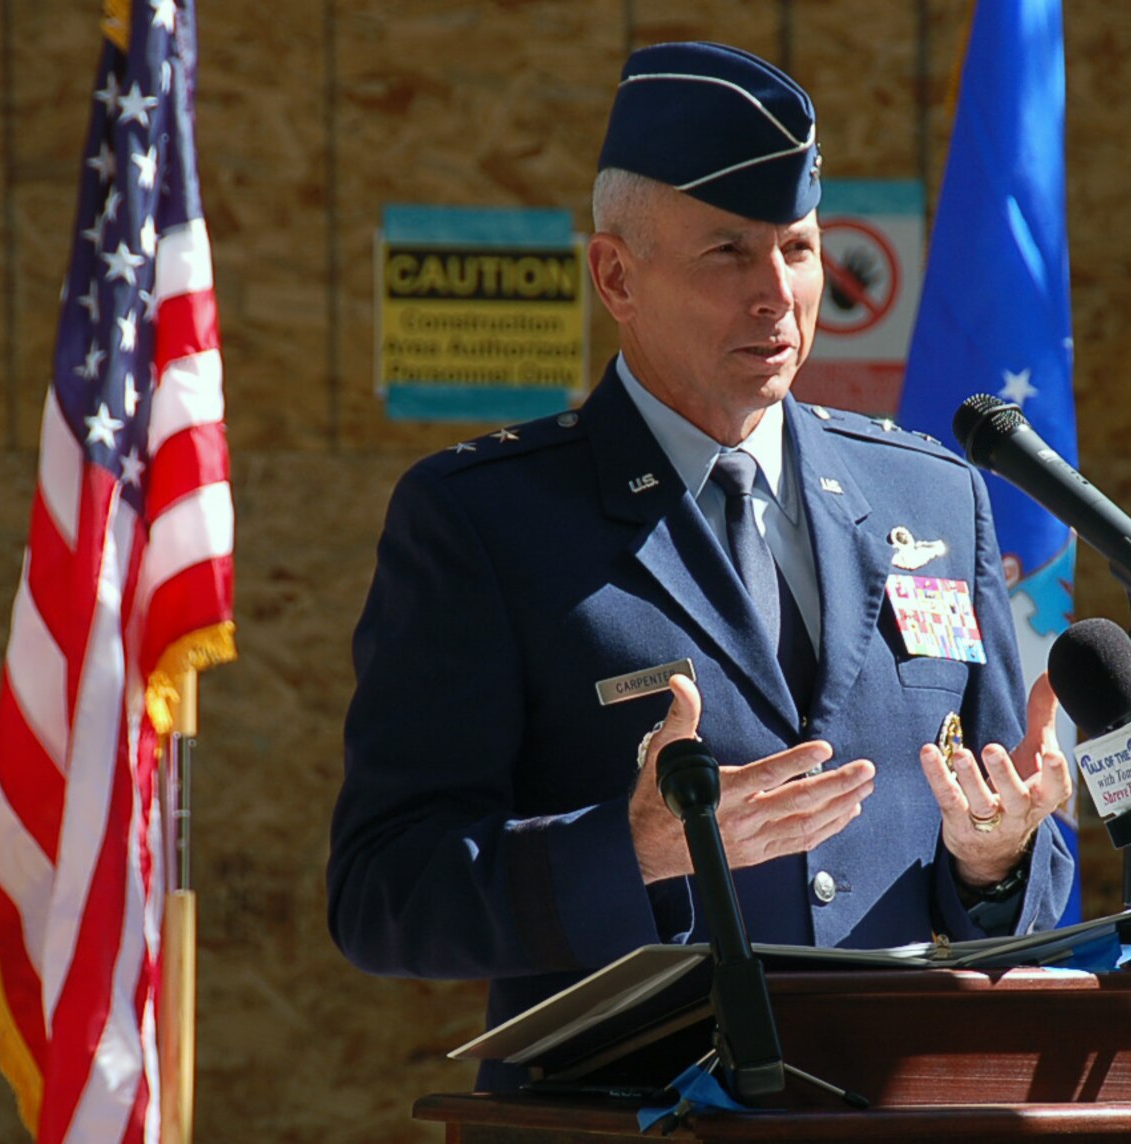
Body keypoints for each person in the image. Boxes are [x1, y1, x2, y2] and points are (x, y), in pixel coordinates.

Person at [328, 41, 1075, 1089]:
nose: (776, 293)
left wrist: (995, 860)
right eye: (727, 251)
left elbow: (1012, 864)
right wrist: (629, 853)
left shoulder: (932, 495)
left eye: (800, 248)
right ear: (615, 275)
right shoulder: (485, 520)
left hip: (901, 1138)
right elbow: (382, 893)